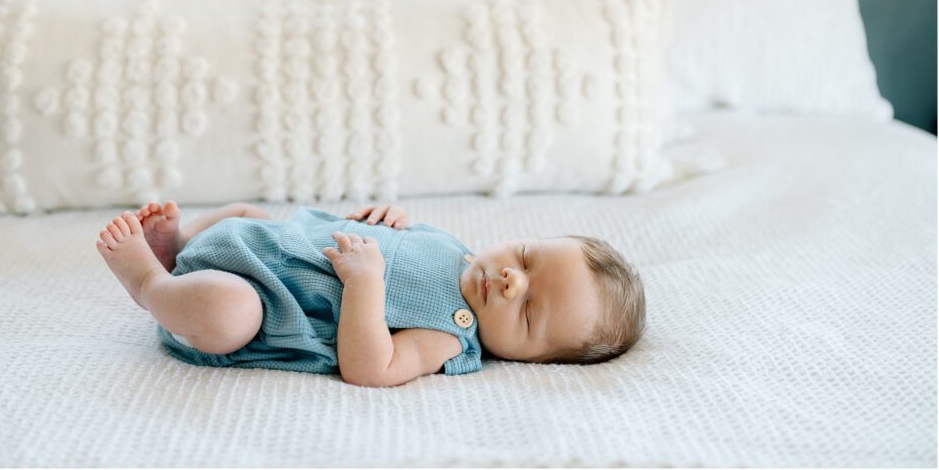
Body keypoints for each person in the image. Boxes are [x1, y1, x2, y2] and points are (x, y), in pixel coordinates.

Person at [96, 201, 646, 387]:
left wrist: (367, 282)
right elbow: (385, 243)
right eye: (525, 258)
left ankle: (152, 282)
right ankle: (185, 243)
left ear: (535, 358)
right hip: (264, 246)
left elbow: (371, 367)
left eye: (527, 310)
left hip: (250, 302)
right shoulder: (453, 248)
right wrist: (386, 221)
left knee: (228, 311)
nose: (511, 280)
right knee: (252, 214)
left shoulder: (450, 339)